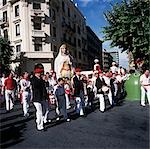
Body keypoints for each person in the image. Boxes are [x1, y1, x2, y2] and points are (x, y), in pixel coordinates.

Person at [30, 64, 48, 131]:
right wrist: (41, 80)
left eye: (40, 73)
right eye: (39, 73)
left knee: (45, 110)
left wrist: (44, 81)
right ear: (36, 73)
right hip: (36, 98)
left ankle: (38, 120)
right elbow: (35, 86)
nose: (40, 74)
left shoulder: (41, 79)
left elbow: (44, 88)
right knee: (39, 111)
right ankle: (40, 125)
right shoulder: (33, 79)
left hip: (42, 97)